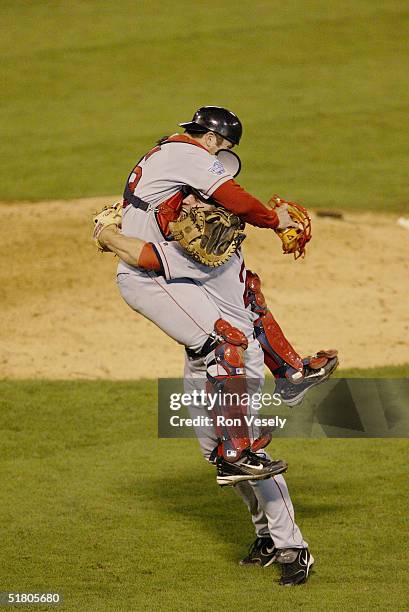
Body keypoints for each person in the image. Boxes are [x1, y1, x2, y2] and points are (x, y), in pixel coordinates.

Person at [95, 106, 339, 586]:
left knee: (246, 454)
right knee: (217, 454)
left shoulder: (211, 248)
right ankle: (266, 536)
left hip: (234, 358)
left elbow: (144, 257)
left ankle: (294, 549)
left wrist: (105, 233)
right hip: (207, 360)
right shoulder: (198, 238)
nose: (194, 204)